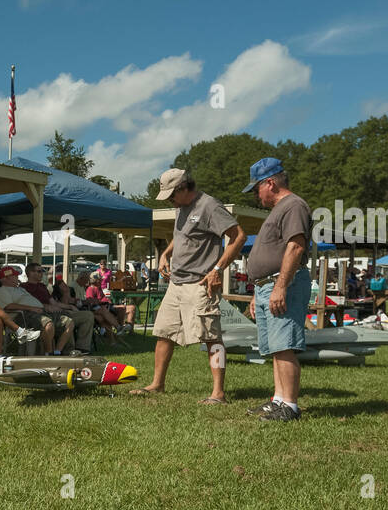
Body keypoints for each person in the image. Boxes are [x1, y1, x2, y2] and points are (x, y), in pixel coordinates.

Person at [133, 168, 245, 403]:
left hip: (200, 283)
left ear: (184, 188)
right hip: (176, 283)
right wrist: (165, 253)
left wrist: (217, 270)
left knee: (212, 337)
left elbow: (238, 236)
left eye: (172, 195)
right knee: (164, 333)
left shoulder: (210, 206)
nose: (171, 200)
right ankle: (157, 384)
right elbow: (182, 234)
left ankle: (218, 393)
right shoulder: (181, 207)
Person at [242, 158, 312, 421]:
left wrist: (280, 286)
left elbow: (295, 246)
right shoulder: (280, 209)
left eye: (256, 188)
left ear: (269, 183)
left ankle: (290, 406)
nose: (256, 195)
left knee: (284, 345)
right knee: (275, 347)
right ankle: (279, 400)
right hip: (267, 285)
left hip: (281, 284)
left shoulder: (293, 205)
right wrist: (257, 290)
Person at [0, 266, 67, 354]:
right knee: (48, 325)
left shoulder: (19, 288)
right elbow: (9, 306)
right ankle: (49, 353)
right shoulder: (2, 290)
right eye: (14, 276)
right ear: (5, 279)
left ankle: (58, 351)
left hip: (39, 311)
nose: (17, 277)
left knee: (68, 321)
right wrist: (31, 308)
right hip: (23, 316)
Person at [21, 262, 88, 353]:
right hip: (37, 314)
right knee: (52, 323)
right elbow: (26, 303)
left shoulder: (42, 286)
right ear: (30, 273)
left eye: (42, 271)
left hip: (53, 312)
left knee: (70, 321)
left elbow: (54, 303)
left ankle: (57, 352)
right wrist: (45, 306)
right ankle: (54, 352)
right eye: (39, 271)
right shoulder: (24, 287)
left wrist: (69, 306)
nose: (42, 274)